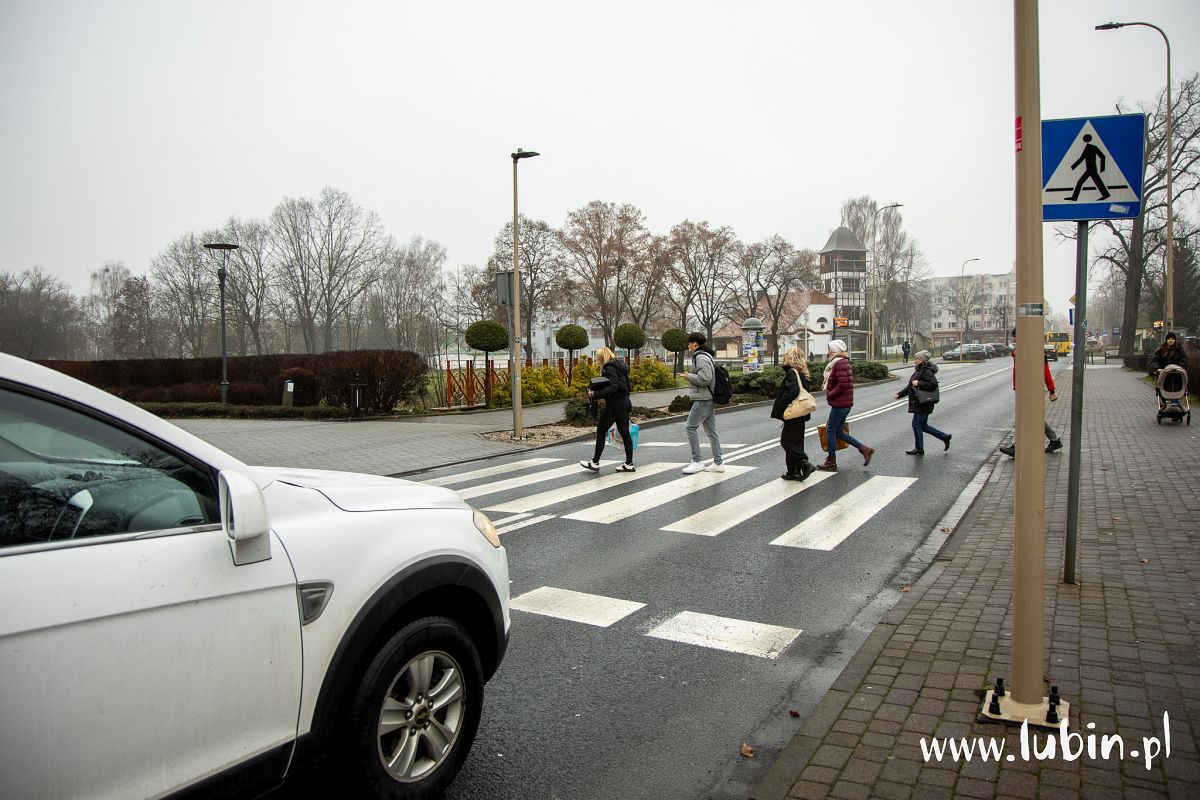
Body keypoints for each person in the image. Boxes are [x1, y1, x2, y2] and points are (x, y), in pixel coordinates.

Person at [999, 330, 1061, 457]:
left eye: (1014, 337)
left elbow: (1045, 371)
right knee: (1033, 416)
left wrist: (1052, 390)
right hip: (1023, 388)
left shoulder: (1034, 350)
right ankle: (1054, 440)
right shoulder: (1020, 350)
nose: (1013, 339)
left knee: (1024, 417)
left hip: (1031, 389)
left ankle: (1017, 447)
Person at [816, 340, 875, 472]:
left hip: (840, 403)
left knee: (830, 430)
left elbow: (843, 384)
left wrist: (830, 394)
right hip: (844, 403)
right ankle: (865, 449)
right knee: (838, 432)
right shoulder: (841, 362)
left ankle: (831, 461)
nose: (828, 351)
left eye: (829, 349)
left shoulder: (839, 363)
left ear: (834, 350)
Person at [579, 347, 636, 473]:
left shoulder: (609, 367)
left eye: (598, 358)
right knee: (625, 433)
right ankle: (629, 464)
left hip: (615, 404)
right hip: (624, 402)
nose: (597, 360)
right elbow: (627, 386)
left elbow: (613, 386)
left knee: (601, 430)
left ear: (602, 357)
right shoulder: (621, 367)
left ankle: (595, 462)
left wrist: (596, 394)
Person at [770, 348, 818, 481]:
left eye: (786, 355)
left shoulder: (792, 372)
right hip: (801, 413)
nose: (783, 358)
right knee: (796, 443)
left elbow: (793, 391)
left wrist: (780, 404)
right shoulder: (802, 373)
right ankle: (793, 472)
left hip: (794, 413)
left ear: (790, 357)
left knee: (786, 441)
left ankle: (805, 464)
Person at [680, 331, 724, 474]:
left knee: (690, 427)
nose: (688, 346)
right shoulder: (706, 355)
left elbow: (705, 379)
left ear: (695, 344)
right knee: (711, 431)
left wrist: (688, 376)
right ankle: (718, 463)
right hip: (708, 398)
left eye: (689, 344)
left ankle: (697, 461)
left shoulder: (701, 357)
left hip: (703, 399)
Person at [895, 350, 950, 455]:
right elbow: (911, 386)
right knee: (923, 426)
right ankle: (944, 437)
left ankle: (919, 448)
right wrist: (900, 394)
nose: (915, 360)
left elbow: (933, 384)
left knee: (916, 425)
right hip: (920, 402)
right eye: (915, 358)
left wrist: (919, 383)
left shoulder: (926, 371)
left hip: (924, 402)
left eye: (917, 359)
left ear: (922, 360)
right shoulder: (919, 370)